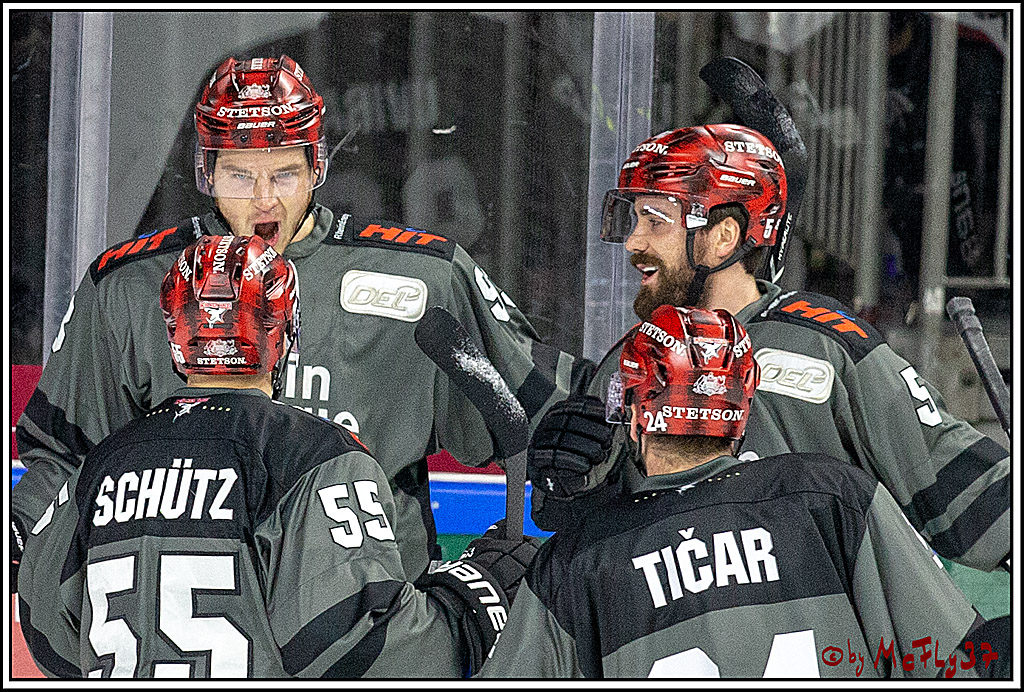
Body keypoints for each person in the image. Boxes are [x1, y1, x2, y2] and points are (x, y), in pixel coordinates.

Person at [13, 55, 579, 586]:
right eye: (239, 176)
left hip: (373, 629)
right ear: (205, 173)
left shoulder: (426, 279)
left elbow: (553, 419)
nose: (264, 202)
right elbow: (60, 460)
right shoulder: (128, 288)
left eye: (284, 174)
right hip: (197, 627)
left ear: (318, 166)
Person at [17, 235, 538, 678]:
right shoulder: (316, 456)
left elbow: (46, 628)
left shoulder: (102, 463)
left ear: (175, 336)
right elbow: (366, 647)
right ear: (287, 334)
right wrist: (473, 598)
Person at [527, 124, 1010, 573]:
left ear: (723, 237)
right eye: (633, 219)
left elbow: (952, 479)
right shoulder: (630, 359)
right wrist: (570, 478)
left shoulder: (826, 346)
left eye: (655, 220)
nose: (633, 241)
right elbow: (590, 534)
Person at [480, 305, 1009, 678]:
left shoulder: (576, 561)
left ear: (639, 414)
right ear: (742, 413)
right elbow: (956, 663)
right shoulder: (834, 498)